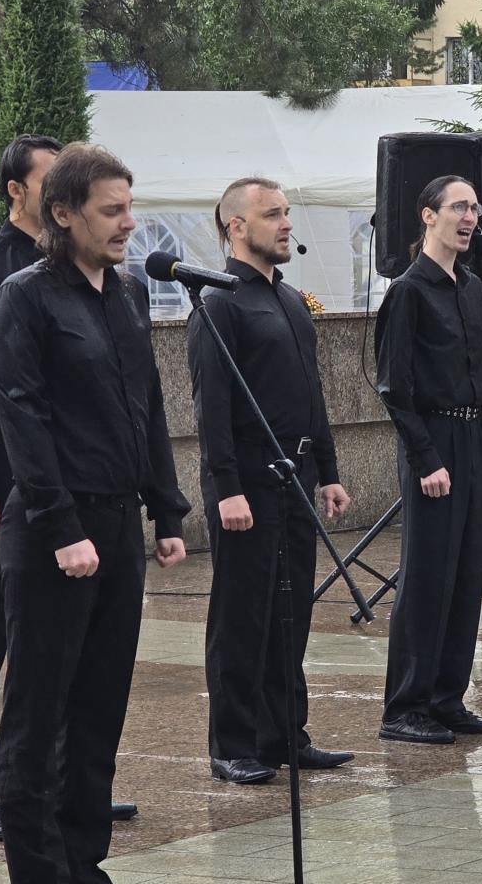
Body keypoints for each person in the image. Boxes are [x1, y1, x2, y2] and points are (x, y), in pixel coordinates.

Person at [0, 143, 190, 883]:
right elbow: (23, 418)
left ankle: (83, 862)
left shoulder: (129, 293)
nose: (128, 223)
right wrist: (63, 529)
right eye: (112, 210)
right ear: (64, 214)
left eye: (130, 207)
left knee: (100, 711)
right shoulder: (25, 296)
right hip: (53, 533)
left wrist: (167, 510)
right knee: (39, 716)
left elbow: (147, 406)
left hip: (119, 524)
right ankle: (40, 872)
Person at [0, 136, 139, 840]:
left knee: (69, 654)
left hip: (77, 484)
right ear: (22, 193)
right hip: (10, 489)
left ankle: (66, 784)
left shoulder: (99, 282)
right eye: (49, 177)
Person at [189, 177, 355, 785]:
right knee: (242, 616)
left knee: (291, 611)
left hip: (296, 476)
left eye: (286, 213)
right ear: (236, 226)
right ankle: (232, 743)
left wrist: (329, 472)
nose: (286, 224)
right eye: (272, 215)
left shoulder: (288, 299)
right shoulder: (219, 303)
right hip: (248, 482)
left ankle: (284, 733)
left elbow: (313, 394)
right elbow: (211, 408)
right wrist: (226, 487)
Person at [374, 174, 482, 744]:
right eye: (458, 207)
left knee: (466, 573)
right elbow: (394, 387)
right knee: (428, 576)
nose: (470, 217)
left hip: (469, 441)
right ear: (428, 216)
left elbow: (479, 375)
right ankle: (405, 707)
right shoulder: (408, 291)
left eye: (475, 208)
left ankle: (447, 698)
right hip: (432, 442)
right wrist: (426, 459)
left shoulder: (470, 286)